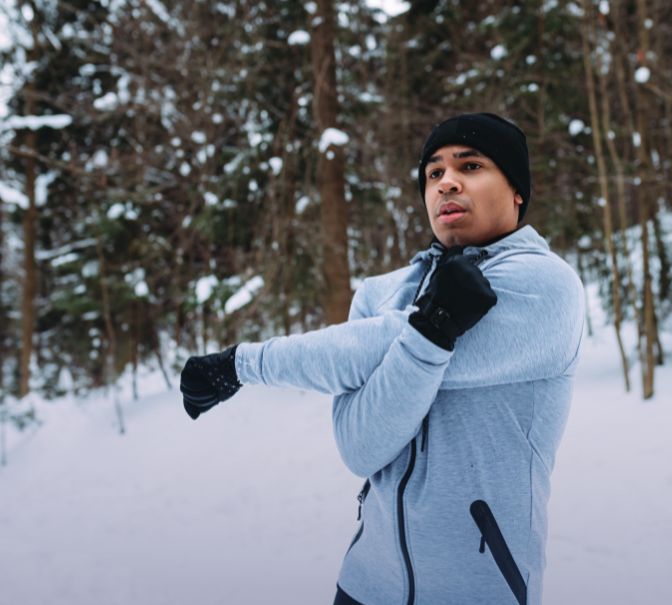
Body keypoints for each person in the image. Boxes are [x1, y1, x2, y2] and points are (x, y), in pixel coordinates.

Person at [180, 113, 584, 605]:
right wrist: (432, 331)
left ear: (517, 191)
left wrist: (242, 363)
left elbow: (373, 346)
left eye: (471, 166)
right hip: (364, 587)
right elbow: (361, 449)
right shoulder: (382, 292)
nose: (447, 182)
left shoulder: (545, 287)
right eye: (433, 173)